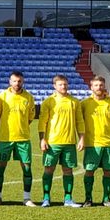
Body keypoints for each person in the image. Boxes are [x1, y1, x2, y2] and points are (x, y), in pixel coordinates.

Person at [38, 75, 84, 208]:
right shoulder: (49, 102)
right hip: (52, 142)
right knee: (48, 169)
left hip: (69, 142)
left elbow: (79, 121)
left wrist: (81, 138)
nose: (63, 87)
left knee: (68, 170)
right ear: (55, 86)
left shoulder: (74, 102)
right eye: (60, 84)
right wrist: (42, 139)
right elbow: (42, 122)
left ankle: (68, 199)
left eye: (65, 84)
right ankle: (46, 198)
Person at [0, 71, 37, 206]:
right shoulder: (2, 97)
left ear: (23, 82)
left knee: (27, 169)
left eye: (19, 81)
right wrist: (5, 128)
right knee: (0, 168)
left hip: (23, 139)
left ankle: (27, 198)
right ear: (9, 82)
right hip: (5, 139)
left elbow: (30, 118)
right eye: (14, 81)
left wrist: (20, 128)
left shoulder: (28, 97)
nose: (17, 84)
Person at [80, 76, 110, 207]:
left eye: (101, 85)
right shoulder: (85, 103)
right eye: (96, 85)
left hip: (108, 143)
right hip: (92, 143)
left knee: (108, 171)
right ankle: (88, 199)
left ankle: (107, 199)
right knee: (89, 170)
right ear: (91, 87)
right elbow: (80, 122)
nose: (99, 87)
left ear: (104, 86)